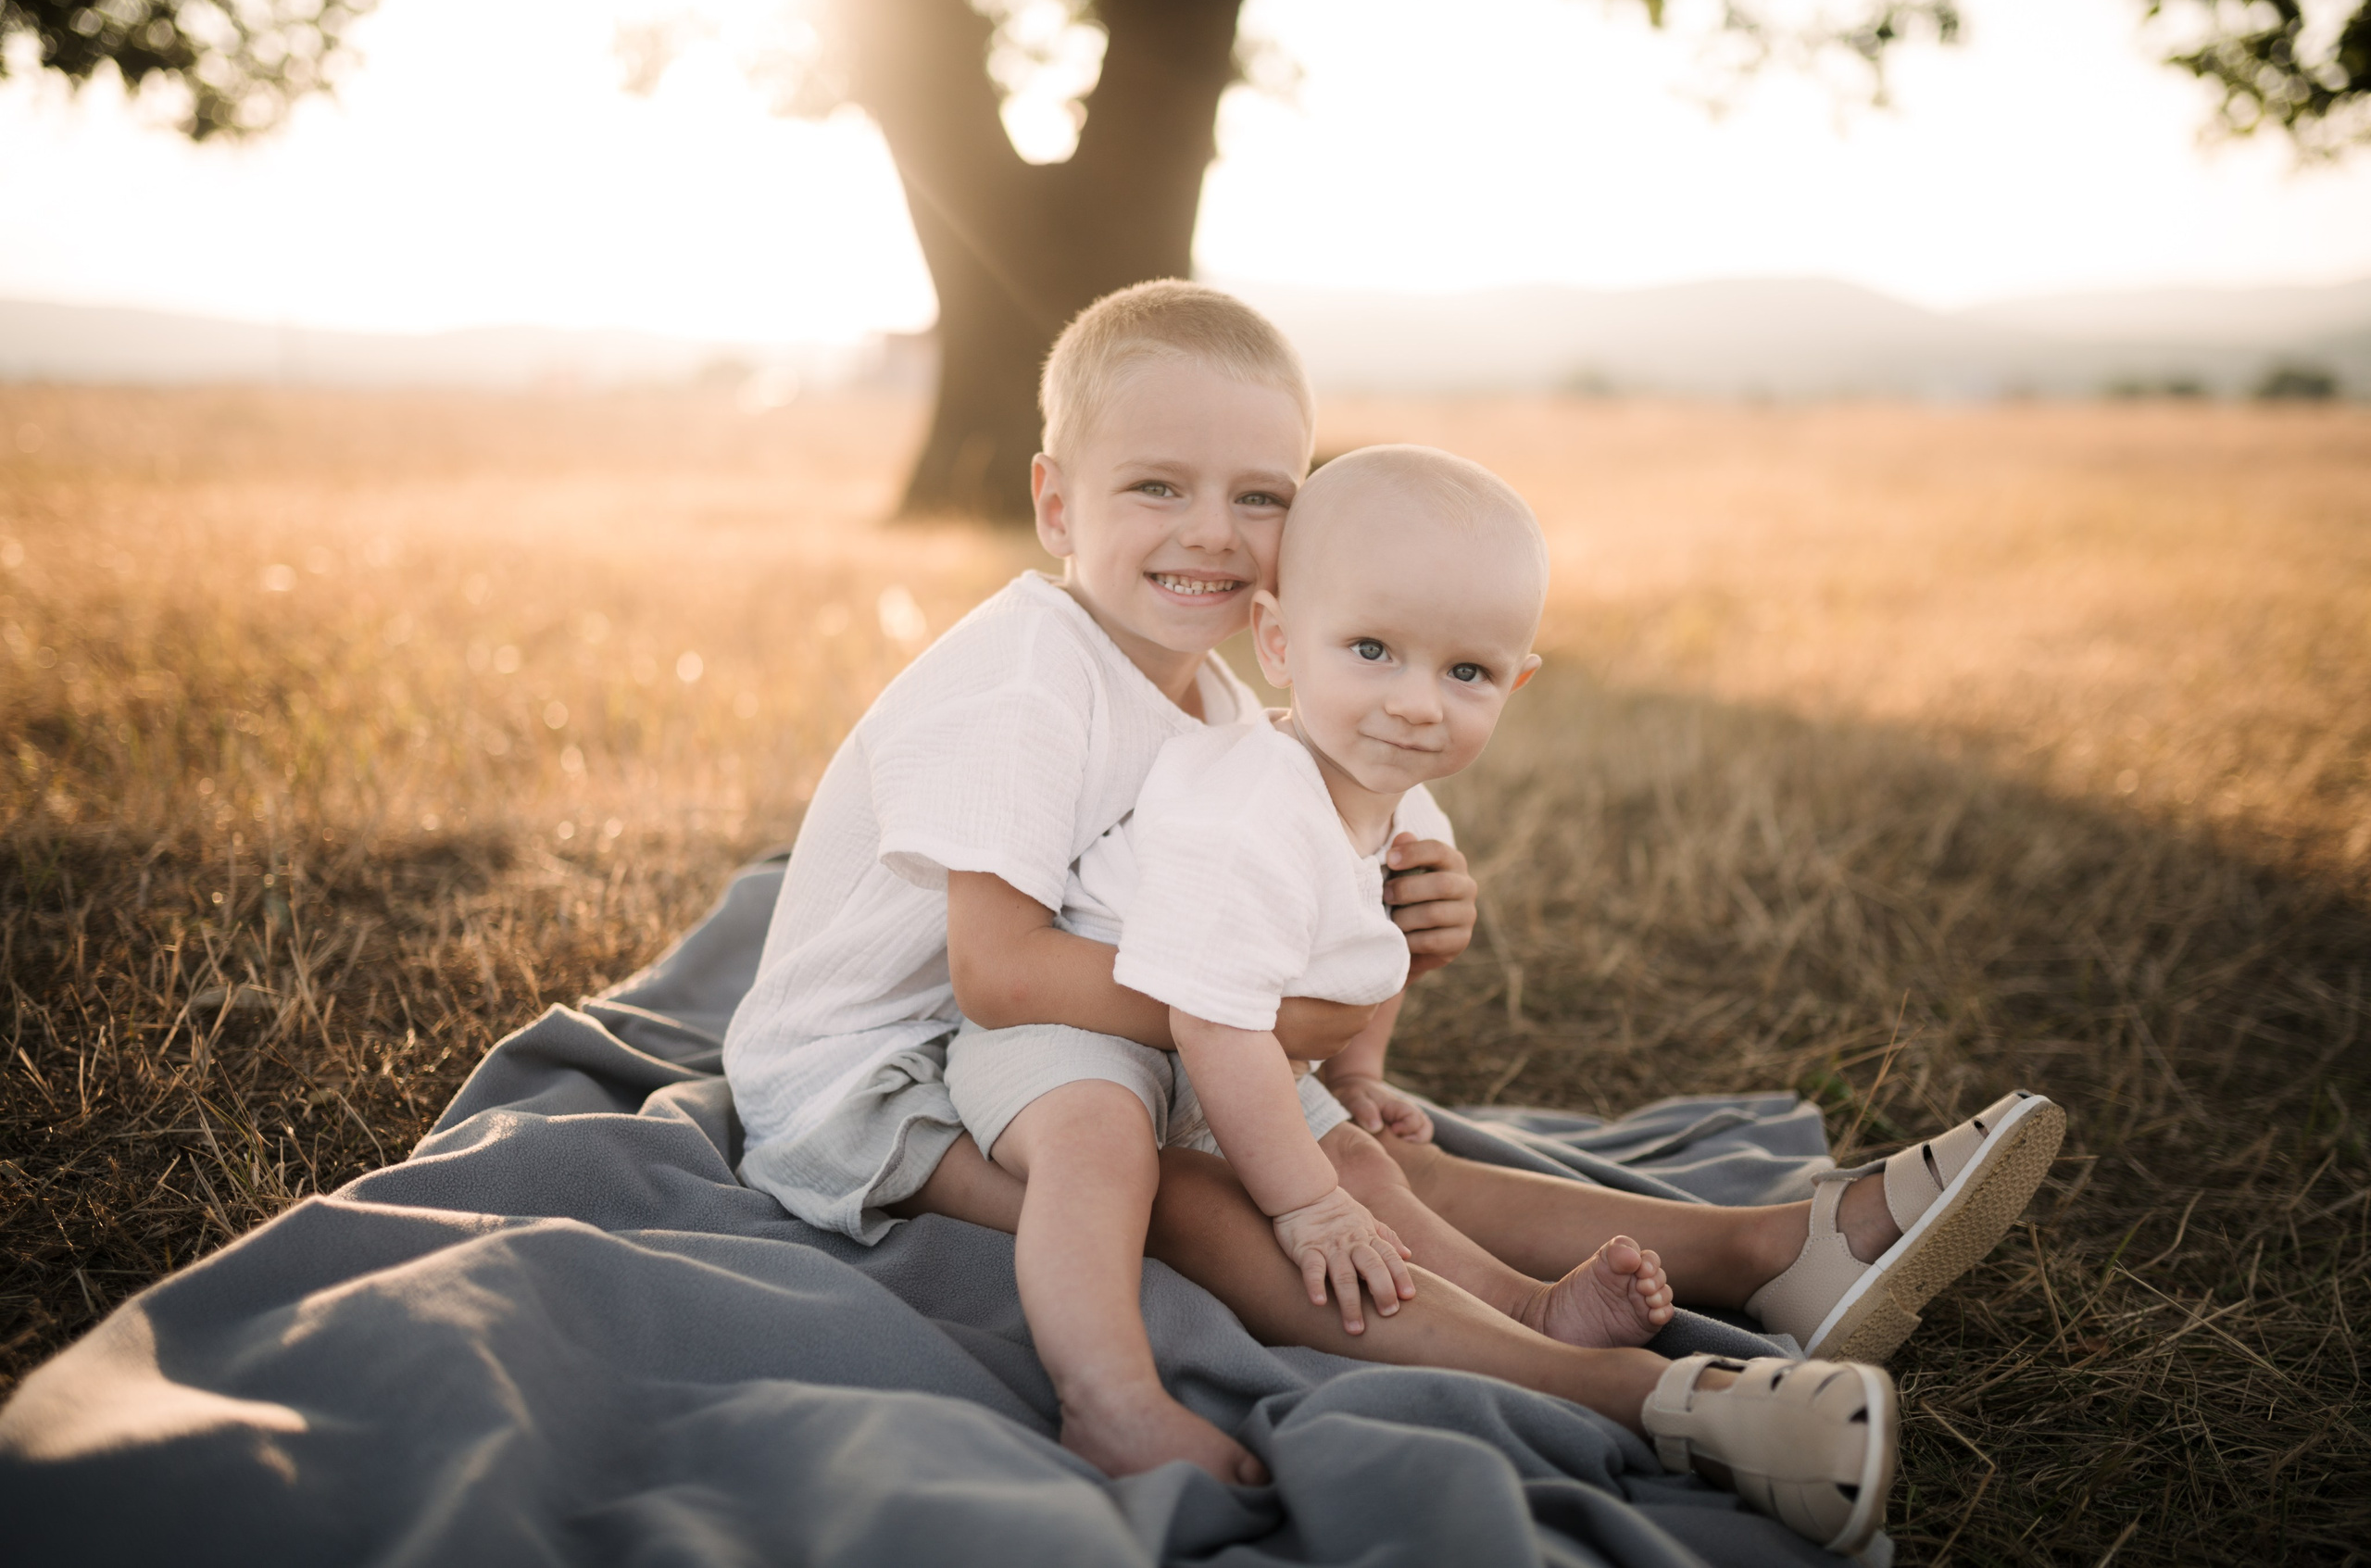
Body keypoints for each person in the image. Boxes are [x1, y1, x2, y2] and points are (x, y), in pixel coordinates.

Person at [723, 281, 2065, 1555]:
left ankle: (1774, 1252)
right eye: (1156, 487)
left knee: (1355, 1159)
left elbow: (1279, 873)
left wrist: (1409, 913)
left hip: (1109, 1029)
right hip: (881, 1077)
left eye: (1259, 496)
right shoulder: (1023, 684)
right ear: (1055, 504)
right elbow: (1004, 973)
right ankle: (1187, 1399)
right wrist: (1276, 1022)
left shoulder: (1222, 695)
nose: (1208, 530)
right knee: (1188, 1187)